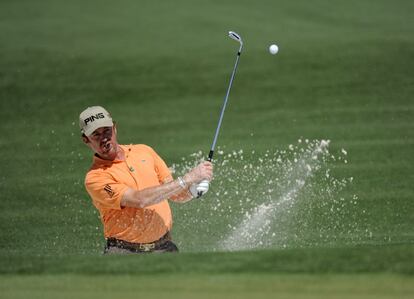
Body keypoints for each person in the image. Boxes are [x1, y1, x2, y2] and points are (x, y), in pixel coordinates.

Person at [79, 106, 213, 254]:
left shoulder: (144, 151)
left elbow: (174, 193)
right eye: (96, 135)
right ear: (86, 139)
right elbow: (139, 200)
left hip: (164, 247)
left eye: (107, 131)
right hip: (123, 252)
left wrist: (193, 190)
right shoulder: (95, 178)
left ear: (115, 128)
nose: (104, 138)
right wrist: (188, 178)